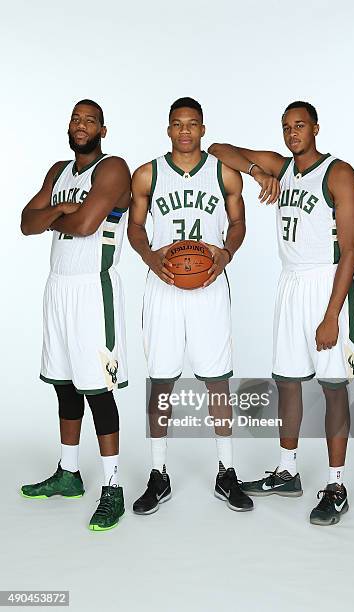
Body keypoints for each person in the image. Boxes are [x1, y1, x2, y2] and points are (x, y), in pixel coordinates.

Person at [209, 101, 354, 525]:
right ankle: (288, 472)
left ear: (316, 128)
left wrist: (332, 314)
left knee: (333, 387)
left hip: (328, 283)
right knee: (288, 383)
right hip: (291, 282)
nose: (292, 133)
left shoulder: (338, 173)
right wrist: (258, 172)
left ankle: (336, 486)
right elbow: (220, 149)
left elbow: (350, 250)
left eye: (300, 126)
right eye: (286, 127)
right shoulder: (281, 167)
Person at [128, 97, 253, 514]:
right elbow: (135, 226)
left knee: (217, 381)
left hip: (210, 285)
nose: (185, 131)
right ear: (168, 129)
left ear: (202, 129)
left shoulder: (223, 173)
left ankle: (226, 472)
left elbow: (237, 224)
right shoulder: (148, 173)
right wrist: (149, 257)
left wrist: (226, 254)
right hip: (163, 286)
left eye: (192, 124)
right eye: (178, 124)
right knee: (161, 381)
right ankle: (158, 474)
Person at [20, 99, 131, 531]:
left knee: (97, 390)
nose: (81, 125)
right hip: (58, 285)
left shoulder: (113, 168)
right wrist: (62, 211)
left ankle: (113, 488)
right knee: (64, 385)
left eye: (90, 120)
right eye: (76, 119)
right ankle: (69, 473)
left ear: (103, 129)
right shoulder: (58, 171)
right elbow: (26, 222)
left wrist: (62, 215)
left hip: (92, 287)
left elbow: (86, 225)